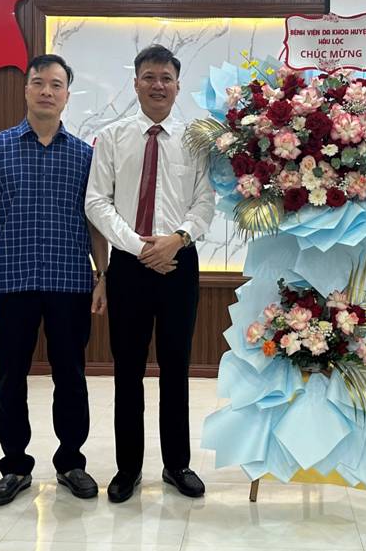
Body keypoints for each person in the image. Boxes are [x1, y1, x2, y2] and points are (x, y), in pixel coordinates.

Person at [0, 54, 109, 507]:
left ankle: (71, 461)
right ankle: (13, 466)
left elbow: (96, 225)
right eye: (39, 83)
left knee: (71, 374)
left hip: (70, 282)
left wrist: (102, 277)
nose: (47, 91)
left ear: (67, 95)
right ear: (26, 90)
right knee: (10, 376)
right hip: (10, 282)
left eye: (57, 84)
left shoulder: (86, 155)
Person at [85, 44, 215, 503]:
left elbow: (205, 203)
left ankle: (177, 464)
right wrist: (138, 245)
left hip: (179, 262)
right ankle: (127, 468)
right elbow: (96, 201)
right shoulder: (113, 137)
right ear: (135, 82)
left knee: (177, 367)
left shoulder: (195, 140)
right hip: (128, 264)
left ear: (178, 87)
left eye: (166, 78)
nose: (158, 85)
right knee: (128, 370)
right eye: (149, 76)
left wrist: (175, 239)